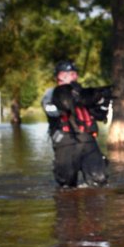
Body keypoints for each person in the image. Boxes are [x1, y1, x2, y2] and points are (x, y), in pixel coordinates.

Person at [41, 59, 110, 188]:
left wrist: (102, 101)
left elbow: (98, 115)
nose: (75, 76)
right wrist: (66, 102)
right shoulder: (51, 94)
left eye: (75, 73)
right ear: (60, 76)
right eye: (71, 73)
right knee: (66, 185)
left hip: (88, 141)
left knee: (99, 181)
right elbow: (51, 111)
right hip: (66, 141)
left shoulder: (83, 93)